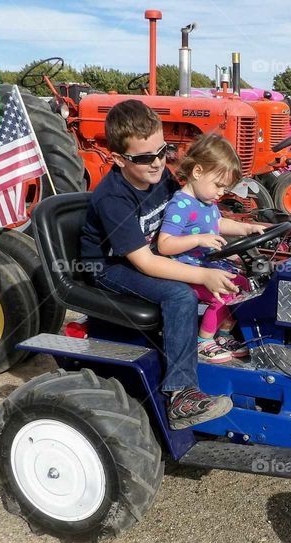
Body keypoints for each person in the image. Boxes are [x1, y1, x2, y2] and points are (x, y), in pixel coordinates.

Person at [80, 100, 238, 429]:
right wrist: (202, 274)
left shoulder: (160, 176)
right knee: (181, 295)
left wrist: (243, 233)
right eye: (144, 158)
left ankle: (218, 341)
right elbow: (146, 263)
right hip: (110, 266)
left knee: (232, 269)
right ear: (119, 159)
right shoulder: (113, 198)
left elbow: (191, 217)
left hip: (150, 251)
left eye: (162, 151)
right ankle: (181, 395)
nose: (157, 163)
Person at [157, 133, 264, 364]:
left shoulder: (207, 202)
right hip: (184, 270)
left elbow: (218, 224)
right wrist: (198, 240)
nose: (220, 193)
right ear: (197, 172)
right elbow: (165, 244)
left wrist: (246, 229)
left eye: (224, 189)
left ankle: (223, 333)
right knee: (222, 291)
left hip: (204, 263)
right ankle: (203, 340)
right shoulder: (181, 204)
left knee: (243, 285)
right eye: (218, 185)